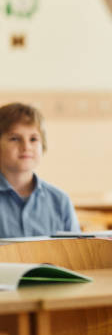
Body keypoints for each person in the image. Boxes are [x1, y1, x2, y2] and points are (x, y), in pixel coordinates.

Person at [0, 102, 80, 237]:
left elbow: (75, 253)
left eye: (33, 139)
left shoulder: (60, 201)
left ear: (43, 145)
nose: (26, 147)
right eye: (14, 138)